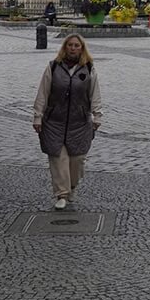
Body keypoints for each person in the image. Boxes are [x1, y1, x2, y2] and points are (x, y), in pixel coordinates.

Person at [32, 34, 102, 210]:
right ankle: (61, 194)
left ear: (82, 48)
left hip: (79, 122)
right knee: (58, 158)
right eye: (70, 45)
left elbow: (95, 93)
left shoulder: (88, 68)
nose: (73, 48)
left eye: (76, 45)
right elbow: (43, 92)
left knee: (77, 159)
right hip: (54, 121)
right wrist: (38, 116)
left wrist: (97, 115)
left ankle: (71, 186)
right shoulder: (53, 67)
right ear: (65, 47)